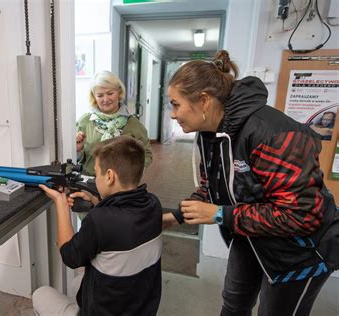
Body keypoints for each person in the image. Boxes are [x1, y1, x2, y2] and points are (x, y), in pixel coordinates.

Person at [163, 50, 338, 315]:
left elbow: (300, 215)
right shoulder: (209, 135)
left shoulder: (273, 134)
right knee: (233, 304)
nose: (173, 114)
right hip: (250, 235)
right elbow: (212, 187)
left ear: (203, 100)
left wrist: (222, 214)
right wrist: (176, 216)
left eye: (176, 104)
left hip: (298, 252)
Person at [33, 136, 163, 315]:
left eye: (96, 174)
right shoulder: (153, 204)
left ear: (109, 176)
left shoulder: (99, 220)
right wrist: (97, 201)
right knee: (77, 283)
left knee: (40, 294)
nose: (95, 178)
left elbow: (70, 256)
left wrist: (60, 205)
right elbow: (122, 221)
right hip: (141, 308)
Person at [76, 70, 153, 176]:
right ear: (94, 97)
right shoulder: (84, 122)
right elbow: (75, 159)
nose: (105, 99)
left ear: (119, 92)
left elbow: (147, 155)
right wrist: (78, 150)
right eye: (100, 95)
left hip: (120, 188)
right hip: (88, 183)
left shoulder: (133, 125)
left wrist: (131, 175)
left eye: (110, 93)